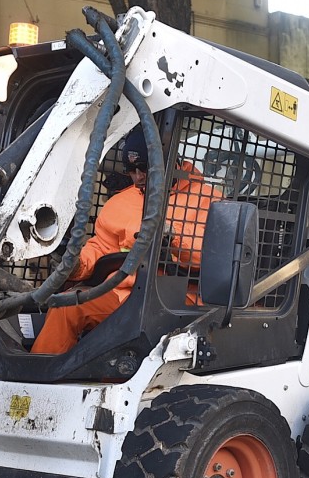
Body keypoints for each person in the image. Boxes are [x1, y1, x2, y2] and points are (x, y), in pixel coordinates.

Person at [30, 128, 222, 354]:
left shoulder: (209, 199)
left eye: (145, 168)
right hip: (124, 295)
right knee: (66, 306)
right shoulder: (119, 202)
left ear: (171, 162)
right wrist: (76, 264)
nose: (138, 177)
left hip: (178, 301)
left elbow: (213, 258)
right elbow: (102, 247)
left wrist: (173, 237)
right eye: (132, 170)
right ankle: (37, 386)